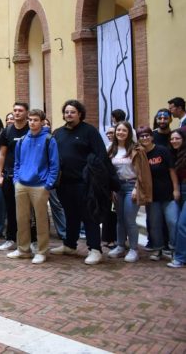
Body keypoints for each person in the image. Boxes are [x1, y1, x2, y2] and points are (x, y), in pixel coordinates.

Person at [50, 100, 111, 265]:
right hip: (64, 183)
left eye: (73, 112)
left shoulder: (89, 131)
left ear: (80, 114)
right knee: (70, 215)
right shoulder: (58, 133)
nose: (69, 114)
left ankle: (95, 249)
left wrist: (99, 179)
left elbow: (100, 156)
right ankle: (69, 245)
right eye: (67, 112)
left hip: (85, 183)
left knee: (89, 215)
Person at [7, 109, 60, 264]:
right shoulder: (22, 140)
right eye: (30, 119)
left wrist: (48, 184)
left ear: (42, 121)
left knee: (41, 220)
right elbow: (17, 163)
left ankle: (42, 251)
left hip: (40, 186)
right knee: (21, 219)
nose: (32, 122)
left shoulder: (49, 139)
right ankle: (23, 250)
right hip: (21, 184)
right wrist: (16, 180)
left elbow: (55, 165)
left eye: (35, 120)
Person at [105, 122, 152, 263]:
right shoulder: (111, 149)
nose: (120, 132)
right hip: (117, 187)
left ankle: (133, 249)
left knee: (129, 219)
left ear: (129, 133)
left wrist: (137, 188)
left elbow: (143, 171)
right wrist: (111, 188)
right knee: (119, 219)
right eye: (118, 130)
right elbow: (110, 171)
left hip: (132, 186)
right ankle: (120, 246)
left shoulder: (137, 149)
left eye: (124, 130)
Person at [137, 126, 180, 261]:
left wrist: (176, 189)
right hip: (152, 196)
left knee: (173, 221)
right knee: (154, 224)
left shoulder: (162, 151)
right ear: (138, 139)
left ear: (152, 137)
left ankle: (174, 249)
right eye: (142, 136)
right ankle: (158, 249)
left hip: (168, 194)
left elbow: (172, 171)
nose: (145, 138)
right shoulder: (140, 154)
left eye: (147, 135)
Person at [0, 102, 30, 252]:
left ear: (27, 113)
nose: (17, 113)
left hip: (29, 176)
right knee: (11, 209)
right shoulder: (7, 131)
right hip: (10, 175)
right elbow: (2, 153)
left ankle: (32, 240)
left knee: (30, 211)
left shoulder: (31, 129)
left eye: (20, 110)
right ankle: (11, 239)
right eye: (15, 110)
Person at [167, 129, 186, 268]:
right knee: (176, 222)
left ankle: (180, 258)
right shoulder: (173, 154)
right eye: (172, 139)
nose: (174, 141)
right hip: (178, 190)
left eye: (177, 138)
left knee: (182, 224)